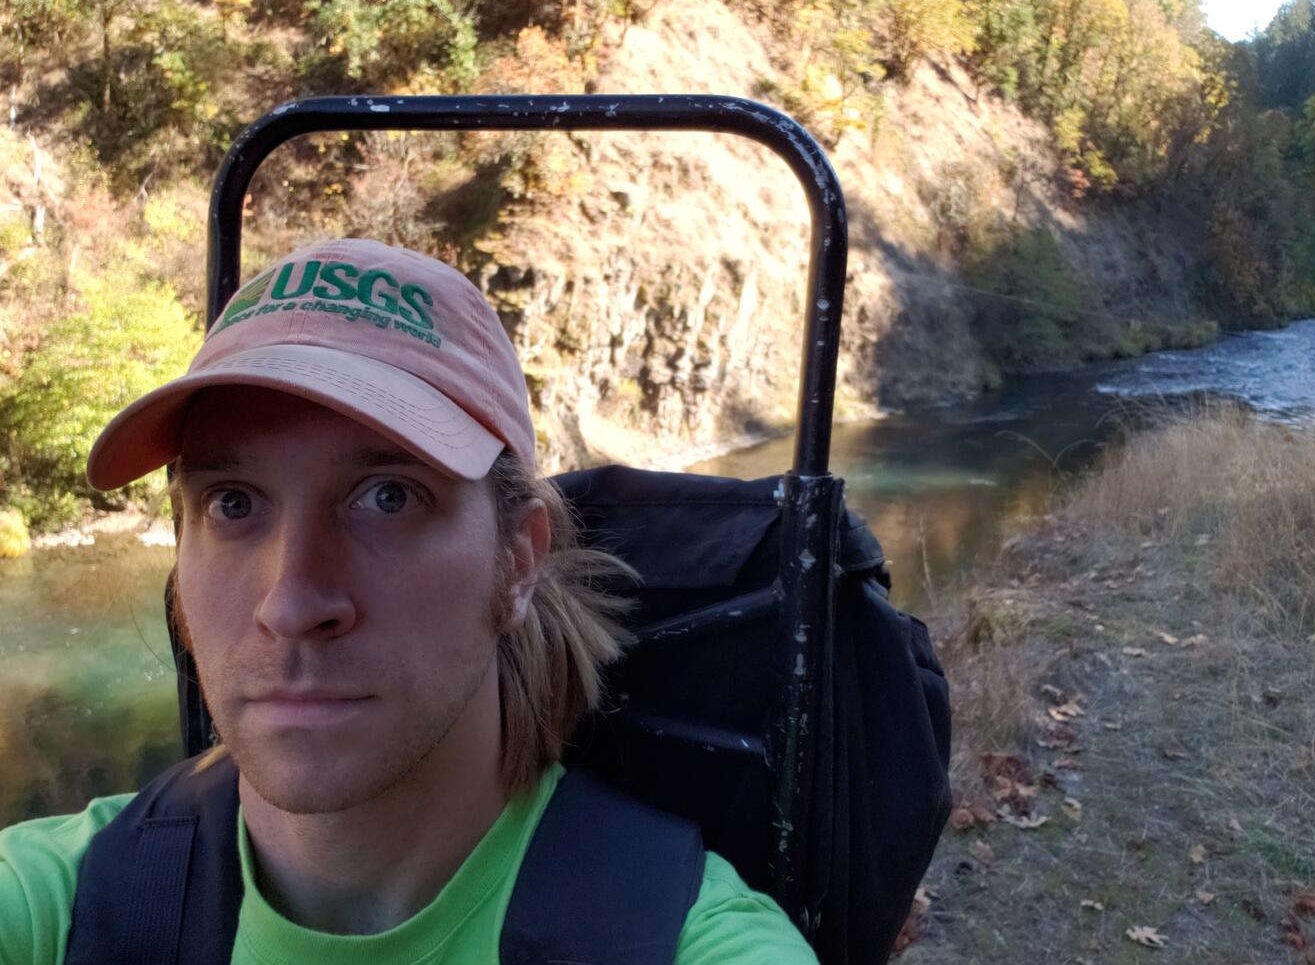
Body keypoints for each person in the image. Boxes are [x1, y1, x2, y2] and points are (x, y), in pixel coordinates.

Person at [0, 239, 819, 963]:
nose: (292, 603)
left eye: (388, 497)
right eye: (234, 503)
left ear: (518, 560)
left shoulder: (683, 940)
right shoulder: (50, 905)